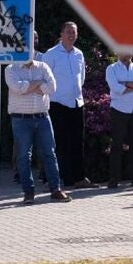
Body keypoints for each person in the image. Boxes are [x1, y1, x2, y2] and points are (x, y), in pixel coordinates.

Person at [5, 56, 70, 204]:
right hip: (21, 119)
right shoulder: (11, 69)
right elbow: (17, 88)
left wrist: (27, 87)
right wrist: (40, 83)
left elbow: (52, 88)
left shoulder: (43, 66)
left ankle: (55, 189)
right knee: (23, 156)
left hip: (42, 117)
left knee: (49, 154)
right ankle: (28, 192)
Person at [40, 22, 90, 189]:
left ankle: (79, 177)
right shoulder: (51, 54)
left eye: (74, 32)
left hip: (76, 102)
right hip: (57, 103)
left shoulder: (79, 54)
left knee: (77, 141)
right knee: (59, 142)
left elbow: (81, 77)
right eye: (68, 31)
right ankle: (59, 178)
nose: (71, 35)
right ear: (61, 33)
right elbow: (44, 78)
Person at [105, 52, 133, 189]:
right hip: (119, 109)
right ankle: (114, 178)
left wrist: (125, 85)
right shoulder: (111, 68)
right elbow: (115, 88)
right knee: (117, 145)